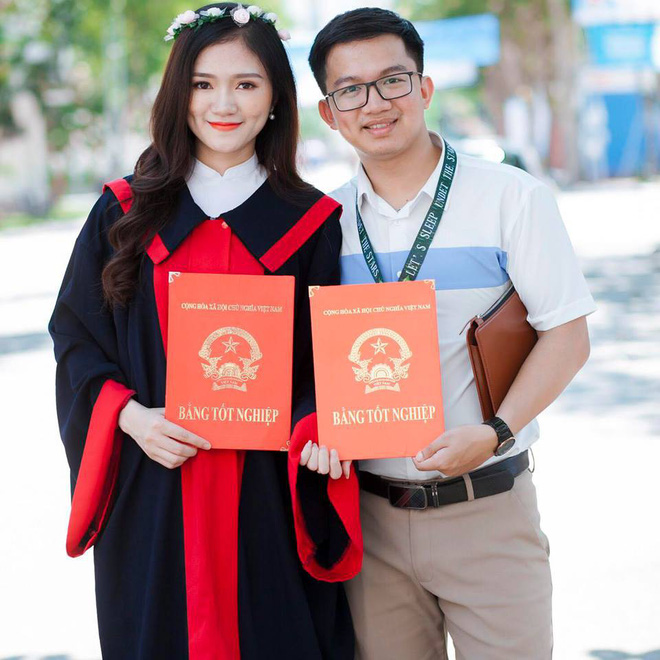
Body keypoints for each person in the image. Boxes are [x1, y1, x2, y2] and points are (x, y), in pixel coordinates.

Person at [48, 4, 361, 659]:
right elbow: (77, 340)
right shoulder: (123, 213)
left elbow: (326, 364)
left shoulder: (310, 224)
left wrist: (318, 427)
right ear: (178, 93)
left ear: (275, 98)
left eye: (246, 83)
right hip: (154, 489)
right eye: (202, 83)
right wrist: (131, 418)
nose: (223, 103)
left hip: (267, 500)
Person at [301, 8, 596, 659]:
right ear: (328, 112)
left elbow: (567, 336)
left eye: (393, 81)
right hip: (371, 523)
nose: (374, 103)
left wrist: (495, 432)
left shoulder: (512, 197)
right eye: (350, 90)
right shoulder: (321, 224)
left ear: (425, 88)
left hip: (487, 507)